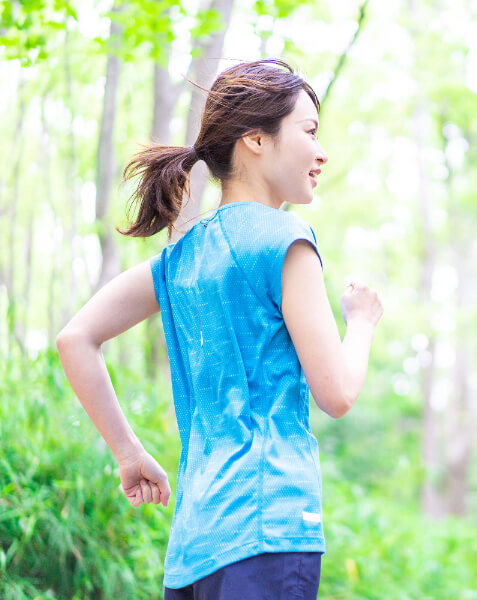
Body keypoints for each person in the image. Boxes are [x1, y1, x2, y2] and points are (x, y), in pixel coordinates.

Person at [55, 58, 383, 599]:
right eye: (309, 131)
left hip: (193, 547)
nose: (321, 151)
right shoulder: (285, 240)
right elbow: (339, 392)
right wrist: (362, 323)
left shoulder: (179, 257)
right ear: (256, 139)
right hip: (271, 532)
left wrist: (128, 453)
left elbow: (76, 339)